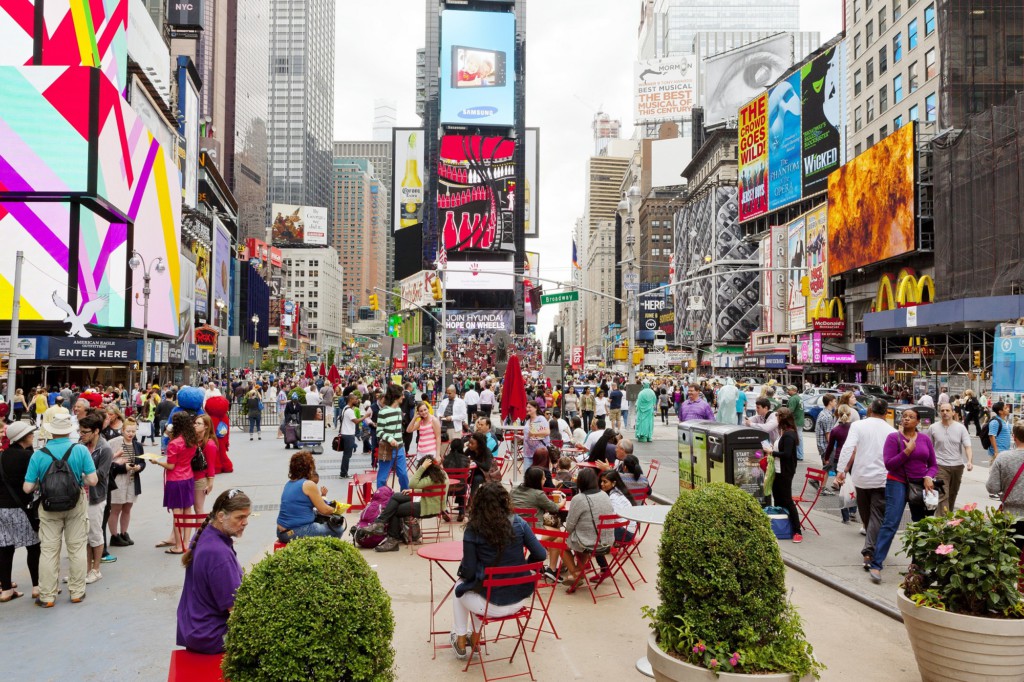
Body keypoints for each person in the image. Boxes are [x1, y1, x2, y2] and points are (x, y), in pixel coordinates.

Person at [449, 482, 546, 660]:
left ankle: (461, 640)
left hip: (490, 604)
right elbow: (541, 554)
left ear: (478, 503)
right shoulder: (520, 523)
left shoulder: (473, 529)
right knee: (478, 587)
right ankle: (474, 639)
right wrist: (525, 564)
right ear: (505, 501)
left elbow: (469, 572)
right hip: (520, 599)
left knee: (461, 588)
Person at [21, 413, 98, 606]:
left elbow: (27, 488)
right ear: (69, 431)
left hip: (48, 506)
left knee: (48, 550)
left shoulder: (39, 454)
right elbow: (93, 480)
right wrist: (79, 478)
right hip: (75, 503)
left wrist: (40, 482)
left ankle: (47, 596)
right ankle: (77, 592)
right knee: (77, 547)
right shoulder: (80, 450)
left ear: (51, 432)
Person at [176, 488, 251, 654]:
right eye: (240, 517)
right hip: (211, 636)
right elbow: (238, 610)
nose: (245, 522)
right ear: (221, 516)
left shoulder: (204, 534)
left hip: (195, 627)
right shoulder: (218, 554)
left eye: (247, 517)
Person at [868, 408, 937, 583]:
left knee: (920, 525)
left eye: (911, 417)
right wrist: (907, 452)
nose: (906, 419)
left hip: (919, 484)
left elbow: (933, 464)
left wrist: (929, 476)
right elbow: (889, 464)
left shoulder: (925, 439)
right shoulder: (893, 438)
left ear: (917, 421)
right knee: (891, 522)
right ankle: (876, 564)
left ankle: (917, 566)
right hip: (897, 482)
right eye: (904, 416)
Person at [835, 399, 897, 571]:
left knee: (867, 514)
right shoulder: (891, 431)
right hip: (882, 478)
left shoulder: (858, 426)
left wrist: (841, 470)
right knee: (876, 515)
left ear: (869, 409)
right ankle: (873, 546)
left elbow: (848, 447)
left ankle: (869, 551)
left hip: (861, 477)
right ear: (886, 412)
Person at [1, 422, 41, 602]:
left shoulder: (1, 456)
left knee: (5, 548)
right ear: (23, 437)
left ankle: (6, 589)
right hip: (22, 508)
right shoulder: (28, 457)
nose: (33, 435)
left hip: (2, 509)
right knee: (33, 547)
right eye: (30, 433)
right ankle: (37, 586)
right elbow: (34, 482)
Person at [150, 412, 198, 554]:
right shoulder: (192, 440)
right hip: (188, 476)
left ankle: (178, 546)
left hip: (176, 479)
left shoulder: (174, 443)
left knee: (177, 513)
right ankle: (186, 543)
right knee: (188, 511)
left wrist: (157, 462)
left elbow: (171, 466)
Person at [275, 451, 344, 543]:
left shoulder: (289, 484)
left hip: (281, 531)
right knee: (337, 529)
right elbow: (324, 510)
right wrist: (337, 509)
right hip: (295, 532)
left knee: (316, 515)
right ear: (309, 468)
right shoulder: (308, 484)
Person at [562, 468, 615, 586]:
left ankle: (575, 574)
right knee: (581, 538)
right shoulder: (604, 495)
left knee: (561, 543)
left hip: (588, 542)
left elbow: (569, 526)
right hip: (606, 541)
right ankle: (577, 574)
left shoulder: (579, 499)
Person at [78, 411, 113, 583]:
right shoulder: (80, 446)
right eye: (80, 431)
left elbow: (101, 474)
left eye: (85, 432)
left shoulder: (105, 449)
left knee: (95, 534)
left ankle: (96, 569)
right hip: (80, 497)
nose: (81, 435)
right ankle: (86, 570)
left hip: (96, 497)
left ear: (96, 431)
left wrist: (81, 475)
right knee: (84, 535)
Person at [107, 419, 146, 547]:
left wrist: (139, 467)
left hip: (132, 480)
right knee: (116, 509)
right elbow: (107, 463)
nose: (131, 434)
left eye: (133, 431)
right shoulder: (113, 443)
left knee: (128, 508)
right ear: (122, 430)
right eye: (128, 431)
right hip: (118, 480)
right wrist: (124, 467)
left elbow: (142, 462)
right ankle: (114, 535)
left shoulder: (138, 445)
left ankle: (124, 532)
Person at [928, 403, 973, 515]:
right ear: (939, 412)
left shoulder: (961, 428)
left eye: (947, 410)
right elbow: (928, 448)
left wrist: (969, 461)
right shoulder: (933, 428)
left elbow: (967, 446)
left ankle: (949, 520)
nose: (945, 413)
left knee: (952, 494)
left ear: (953, 412)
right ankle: (941, 524)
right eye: (942, 410)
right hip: (940, 465)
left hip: (957, 466)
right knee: (943, 495)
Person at [766, 408, 803, 543]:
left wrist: (771, 452)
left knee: (787, 500)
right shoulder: (783, 433)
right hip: (778, 470)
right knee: (778, 498)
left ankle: (797, 530)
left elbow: (787, 455)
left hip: (785, 471)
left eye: (777, 417)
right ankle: (782, 526)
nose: (776, 419)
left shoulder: (789, 435)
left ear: (782, 418)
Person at [986, 421, 1024, 551]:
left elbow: (992, 487)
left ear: (1014, 437)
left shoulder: (1003, 458)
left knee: (1011, 556)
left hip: (1011, 516)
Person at [375, 385, 409, 491]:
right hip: (387, 448)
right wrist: (390, 439)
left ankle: (405, 496)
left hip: (400, 448)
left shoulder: (399, 410)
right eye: (402, 395)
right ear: (396, 396)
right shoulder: (383, 412)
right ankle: (381, 498)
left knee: (403, 474)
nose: (403, 397)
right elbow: (379, 431)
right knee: (383, 477)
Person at [192, 415, 218, 516]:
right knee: (195, 508)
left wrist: (210, 482)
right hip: (191, 476)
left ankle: (199, 532)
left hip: (200, 478)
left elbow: (211, 465)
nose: (195, 425)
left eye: (198, 424)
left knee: (198, 509)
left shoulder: (210, 444)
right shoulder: (195, 440)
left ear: (206, 426)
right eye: (195, 423)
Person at [408, 401, 441, 468]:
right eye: (421, 411)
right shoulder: (421, 421)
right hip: (421, 452)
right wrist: (414, 418)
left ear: (428, 409)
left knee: (431, 475)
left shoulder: (433, 420)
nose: (423, 412)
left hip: (431, 452)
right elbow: (409, 430)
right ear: (418, 412)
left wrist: (437, 455)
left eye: (425, 410)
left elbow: (438, 437)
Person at [338, 394, 362, 478]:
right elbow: (356, 421)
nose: (357, 401)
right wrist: (365, 416)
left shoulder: (345, 408)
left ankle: (343, 472)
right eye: (356, 399)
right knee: (347, 455)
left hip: (345, 433)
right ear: (351, 400)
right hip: (348, 434)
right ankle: (344, 473)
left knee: (346, 454)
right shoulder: (349, 411)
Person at [465, 432, 495, 497]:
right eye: (469, 443)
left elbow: (487, 467)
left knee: (476, 479)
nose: (469, 445)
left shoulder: (487, 452)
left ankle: (471, 502)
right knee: (462, 478)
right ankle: (461, 504)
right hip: (472, 472)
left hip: (485, 474)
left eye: (472, 443)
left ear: (479, 444)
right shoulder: (470, 450)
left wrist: (475, 462)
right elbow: (463, 457)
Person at [522, 402, 550, 471]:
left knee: (540, 473)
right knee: (527, 474)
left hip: (539, 452)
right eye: (527, 407)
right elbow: (528, 435)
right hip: (528, 453)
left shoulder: (541, 418)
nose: (527, 409)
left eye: (529, 407)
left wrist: (534, 433)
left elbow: (547, 432)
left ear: (535, 408)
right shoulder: (528, 421)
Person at [815, 394, 837, 476]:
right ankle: (818, 482)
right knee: (827, 466)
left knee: (827, 466)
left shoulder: (823, 412)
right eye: (834, 401)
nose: (836, 403)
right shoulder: (827, 416)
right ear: (830, 402)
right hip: (825, 445)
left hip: (822, 444)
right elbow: (828, 434)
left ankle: (818, 482)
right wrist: (831, 446)